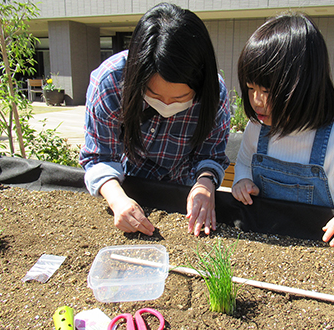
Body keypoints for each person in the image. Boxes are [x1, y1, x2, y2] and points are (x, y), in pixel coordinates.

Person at [232, 13, 334, 250]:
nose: (256, 101)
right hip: (264, 239)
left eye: (267, 91)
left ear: (304, 86)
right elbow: (245, 162)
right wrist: (242, 180)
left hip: (321, 249)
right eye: (250, 88)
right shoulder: (256, 128)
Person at [80, 3, 230, 237]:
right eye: (155, 96)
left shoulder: (214, 92)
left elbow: (210, 156)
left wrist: (204, 184)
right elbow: (99, 156)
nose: (167, 106)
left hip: (184, 188)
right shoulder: (111, 82)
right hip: (129, 182)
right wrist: (117, 200)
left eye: (180, 98)